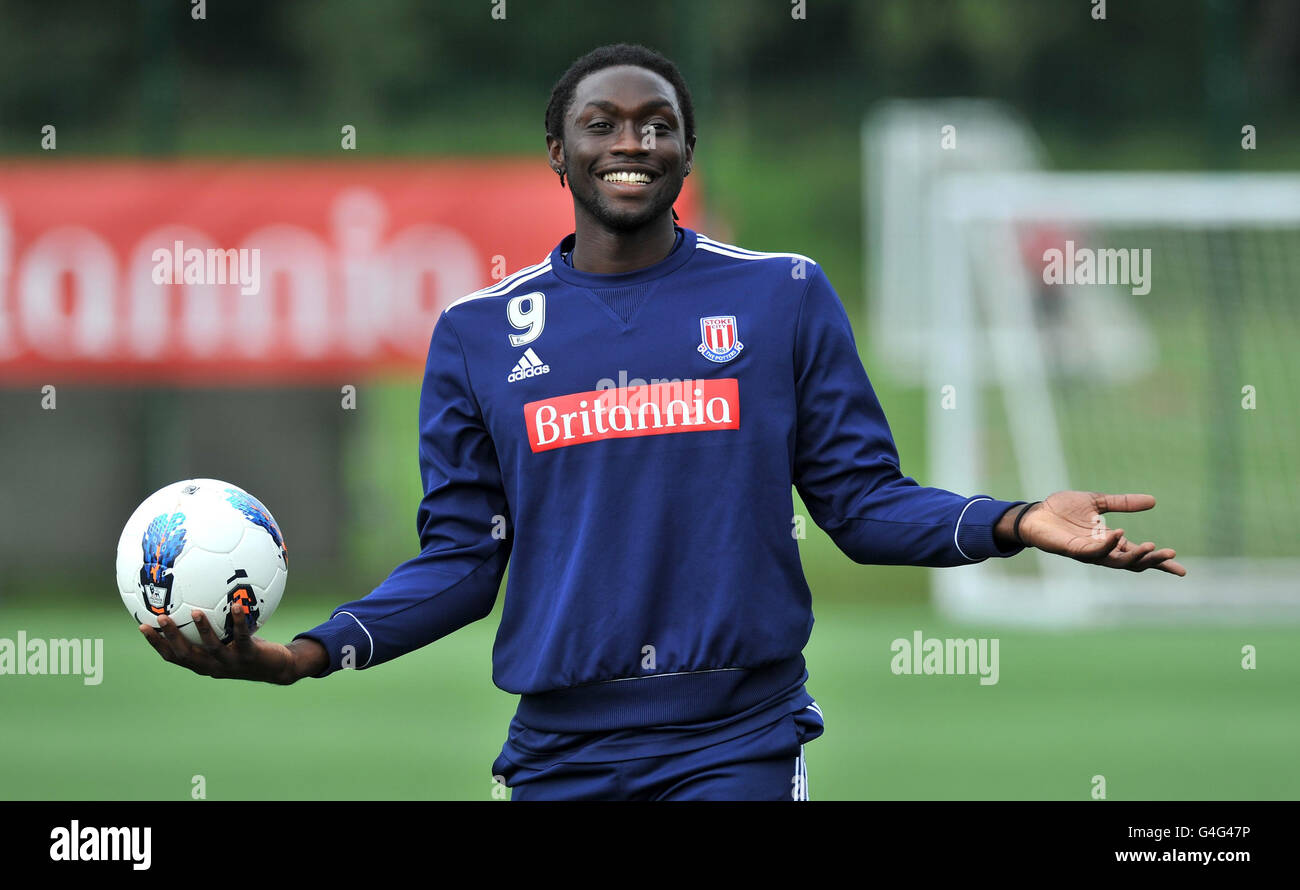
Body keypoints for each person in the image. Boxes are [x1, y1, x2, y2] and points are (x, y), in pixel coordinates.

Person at [141, 43, 1184, 801]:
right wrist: (313, 653)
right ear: (558, 152)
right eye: (603, 121)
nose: (631, 139)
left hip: (736, 739)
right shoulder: (475, 333)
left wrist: (1011, 520)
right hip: (557, 751)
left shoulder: (784, 294)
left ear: (687, 151)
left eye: (657, 122)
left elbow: (862, 507)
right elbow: (462, 560)